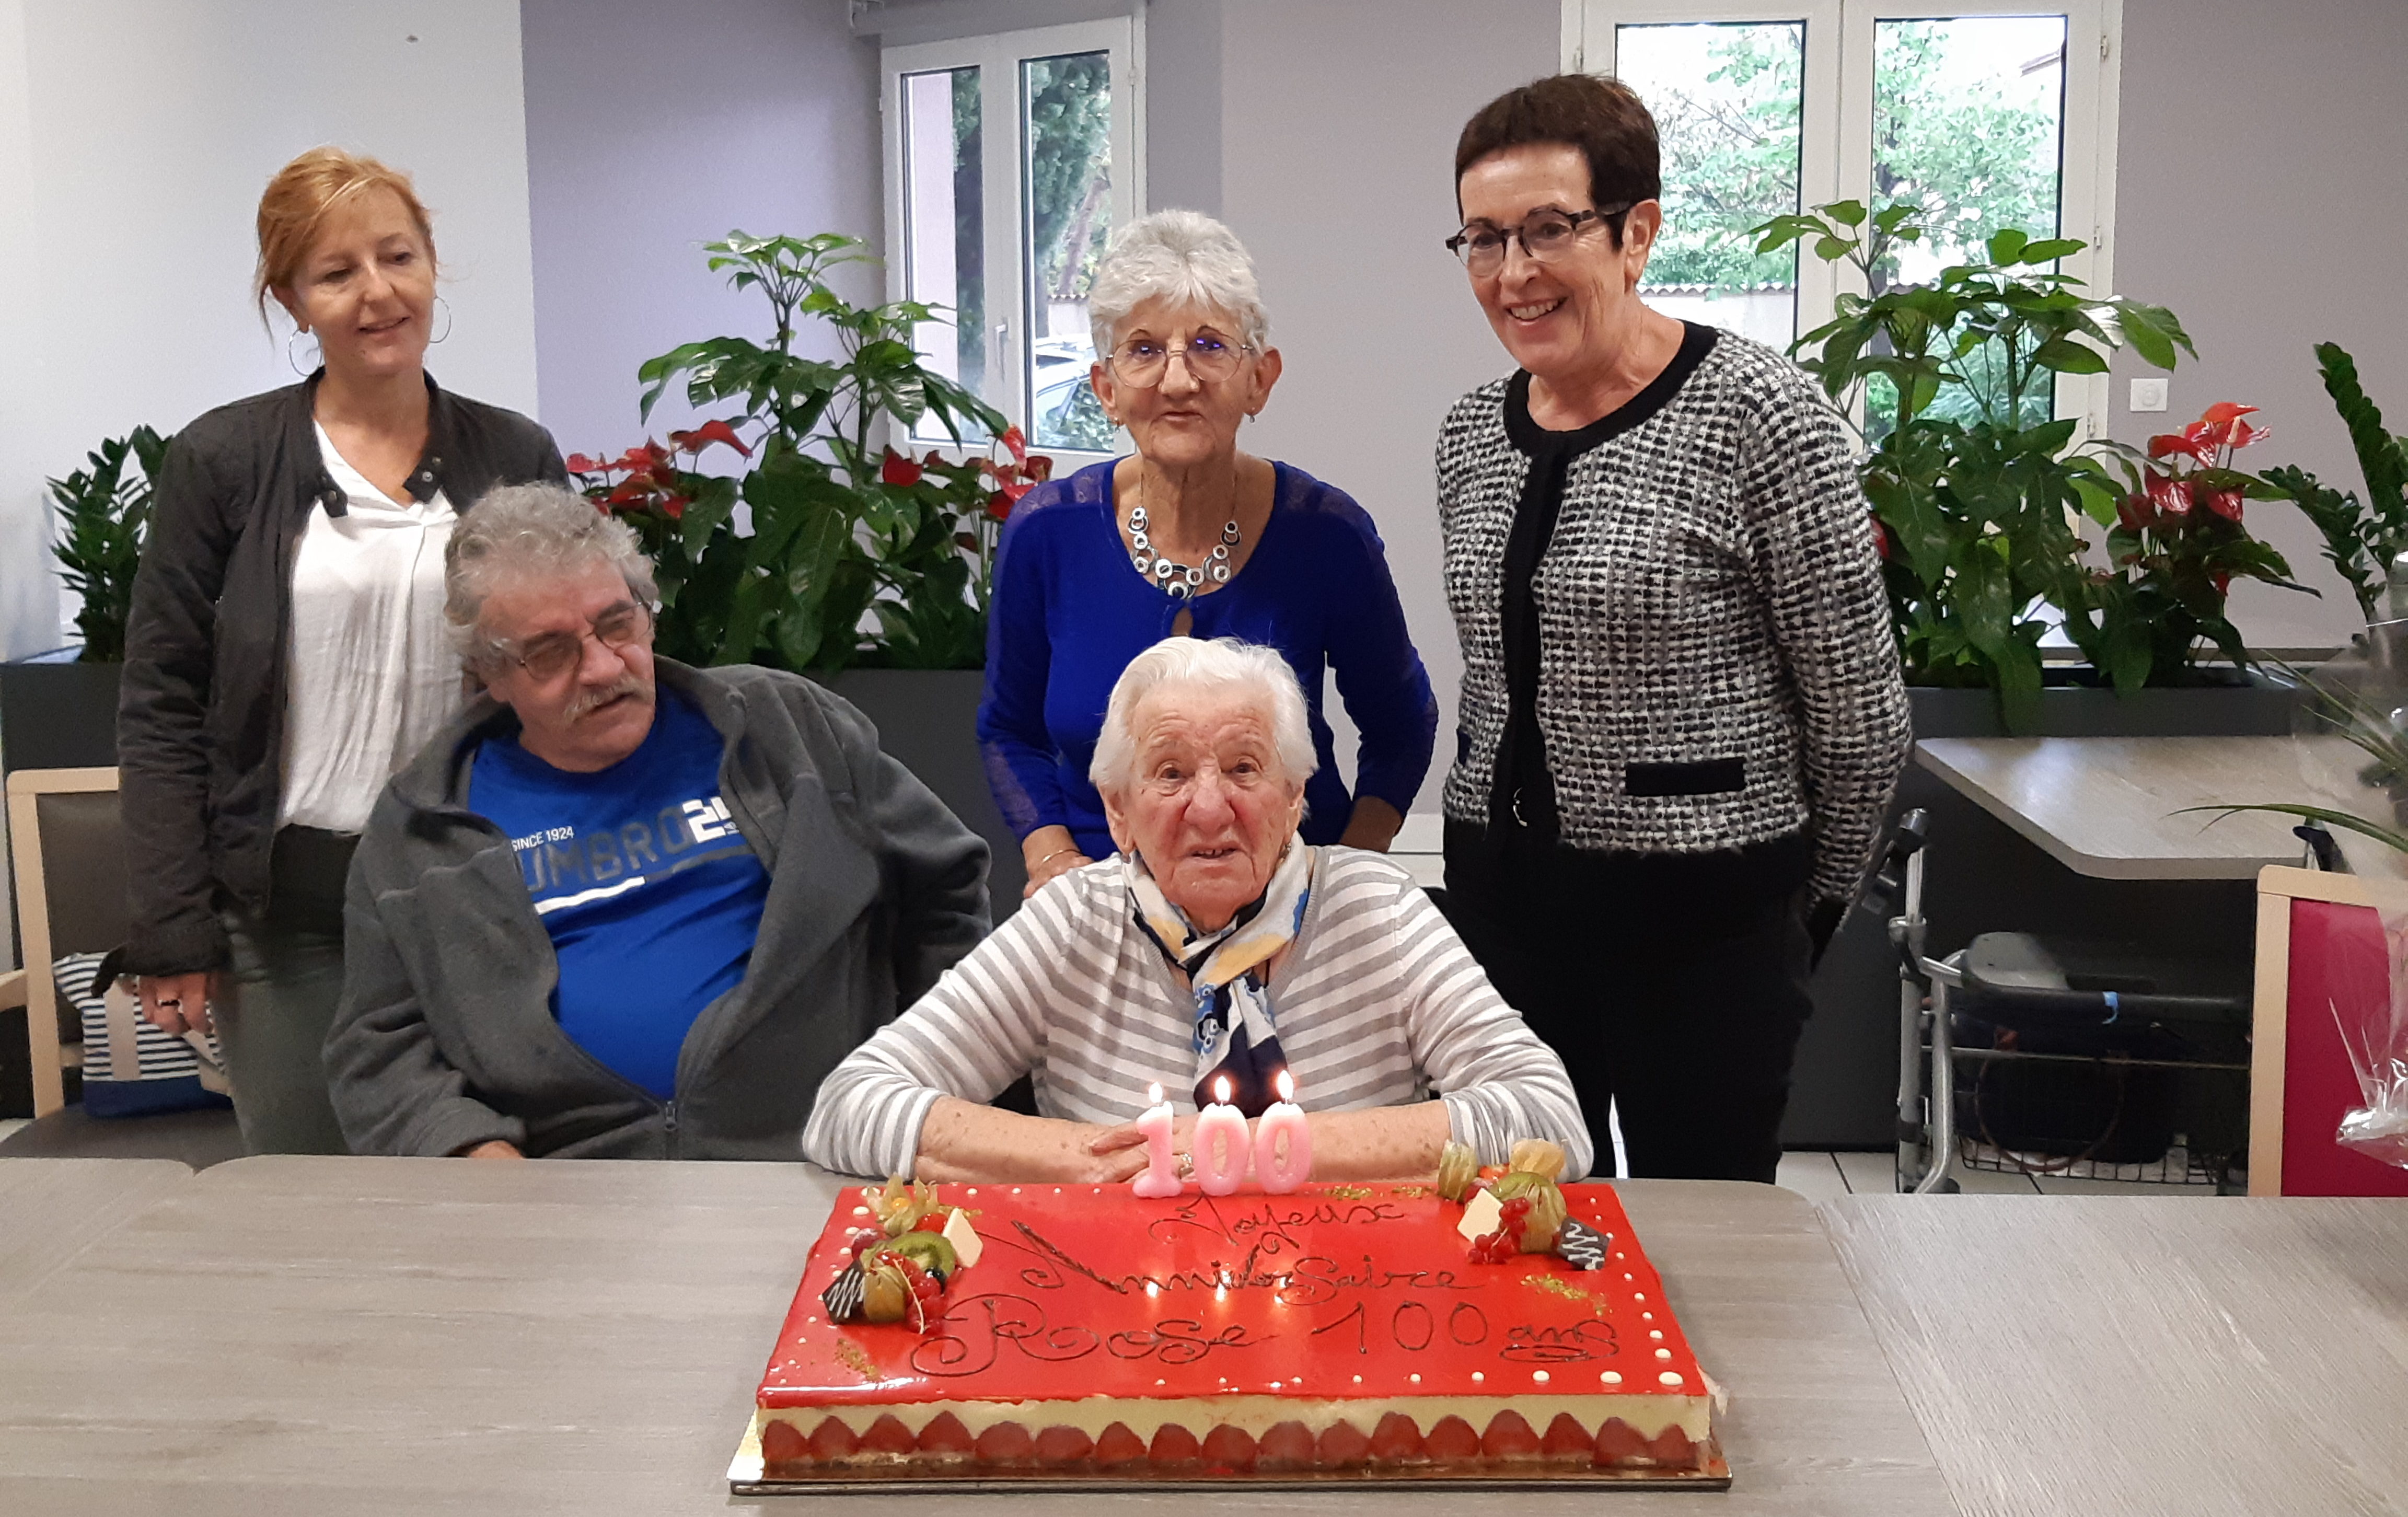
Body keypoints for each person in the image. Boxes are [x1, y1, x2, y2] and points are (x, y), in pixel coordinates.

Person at [1434, 76, 1910, 1184]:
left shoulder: (1761, 414)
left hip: (1706, 929)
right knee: (1520, 1225)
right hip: (1504, 920)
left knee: (1707, 1238)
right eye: (1484, 239)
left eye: (1550, 230)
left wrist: (1804, 914)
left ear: (1637, 230)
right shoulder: (1470, 434)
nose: (1515, 274)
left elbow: (1861, 715)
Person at [119, 147, 569, 1154]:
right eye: (337, 274)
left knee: (497, 1189)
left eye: (398, 257)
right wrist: (174, 926)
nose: (379, 294)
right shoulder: (222, 461)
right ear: (292, 301)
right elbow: (161, 703)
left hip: (478, 895)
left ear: (432, 265)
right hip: (291, 916)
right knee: (314, 1208)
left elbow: (569, 664)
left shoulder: (515, 455)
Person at [323, 484, 990, 1159]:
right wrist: (476, 1162)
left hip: (822, 1150)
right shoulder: (423, 825)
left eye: (618, 625)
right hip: (564, 1187)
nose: (604, 668)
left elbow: (947, 899)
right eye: (551, 653)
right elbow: (378, 1051)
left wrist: (925, 1085)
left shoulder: (787, 728)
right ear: (488, 674)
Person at [807, 636, 1587, 1183]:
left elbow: (1548, 1118)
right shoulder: (1078, 918)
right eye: (1171, 773)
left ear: (1294, 797)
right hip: (1114, 1325)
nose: (1209, 809)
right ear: (1118, 812)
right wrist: (1100, 1158)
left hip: (1357, 1313)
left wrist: (1259, 1153)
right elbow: (853, 1104)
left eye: (1245, 768)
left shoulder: (1376, 909)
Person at [979, 210, 1438, 898]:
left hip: (1290, 910)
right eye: (1143, 349)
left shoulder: (1327, 534)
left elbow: (1403, 723)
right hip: (1101, 903)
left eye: (1208, 346)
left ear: (1260, 378)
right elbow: (1007, 729)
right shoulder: (1046, 532)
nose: (1177, 381)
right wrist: (1051, 860)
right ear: (1106, 389)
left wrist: (1348, 876)